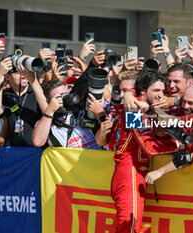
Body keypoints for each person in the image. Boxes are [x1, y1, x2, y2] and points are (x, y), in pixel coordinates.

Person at [111, 70, 183, 233]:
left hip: (135, 173)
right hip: (128, 174)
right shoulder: (134, 109)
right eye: (156, 91)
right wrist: (182, 146)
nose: (161, 95)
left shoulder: (144, 108)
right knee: (128, 228)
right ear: (143, 91)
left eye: (163, 91)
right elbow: (149, 148)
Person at [0, 56, 47, 146]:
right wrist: (0, 75)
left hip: (36, 151)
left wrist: (33, 81)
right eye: (17, 71)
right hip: (14, 153)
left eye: (25, 70)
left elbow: (48, 112)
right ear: (8, 76)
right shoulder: (6, 95)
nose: (23, 74)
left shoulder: (38, 91)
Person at [32, 80, 102, 149]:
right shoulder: (47, 122)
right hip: (70, 160)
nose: (64, 98)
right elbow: (38, 142)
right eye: (59, 97)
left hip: (96, 158)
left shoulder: (81, 110)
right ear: (49, 101)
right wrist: (49, 111)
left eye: (65, 94)